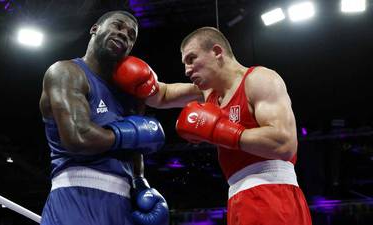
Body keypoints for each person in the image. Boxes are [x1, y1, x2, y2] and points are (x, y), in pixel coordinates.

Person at [114, 27, 312, 225]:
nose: (187, 70)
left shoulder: (259, 79)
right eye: (184, 63)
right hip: (238, 196)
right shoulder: (209, 93)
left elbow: (284, 144)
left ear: (217, 52)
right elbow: (162, 95)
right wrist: (133, 75)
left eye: (191, 59)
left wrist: (219, 130)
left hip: (273, 193)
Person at [39, 10, 169, 225]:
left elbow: (135, 151)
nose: (124, 34)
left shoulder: (130, 95)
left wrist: (140, 184)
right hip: (76, 197)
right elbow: (78, 138)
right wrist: (131, 133)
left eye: (131, 35)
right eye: (117, 26)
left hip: (121, 205)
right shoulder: (67, 72)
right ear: (95, 29)